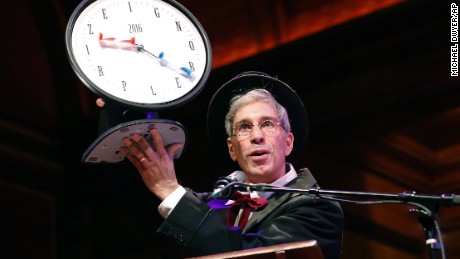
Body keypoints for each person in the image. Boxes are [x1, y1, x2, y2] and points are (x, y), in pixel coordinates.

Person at [118, 72, 344, 258]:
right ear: (232, 149)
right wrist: (114, 108)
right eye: (244, 127)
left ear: (287, 142)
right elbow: (145, 199)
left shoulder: (317, 207)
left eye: (267, 124)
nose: (257, 135)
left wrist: (169, 188)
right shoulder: (220, 199)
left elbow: (250, 255)